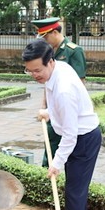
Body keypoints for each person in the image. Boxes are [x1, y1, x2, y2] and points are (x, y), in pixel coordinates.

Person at [22, 39, 102, 210]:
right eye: (30, 72)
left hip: (82, 139)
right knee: (77, 187)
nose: (35, 75)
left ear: (50, 62)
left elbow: (70, 134)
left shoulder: (63, 88)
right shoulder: (58, 69)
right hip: (79, 134)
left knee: (74, 191)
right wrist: (49, 113)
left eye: (38, 70)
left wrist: (56, 163)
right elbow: (66, 114)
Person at [31, 17, 87, 168]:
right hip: (52, 110)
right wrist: (44, 105)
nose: (44, 41)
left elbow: (79, 84)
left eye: (45, 37)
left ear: (55, 32)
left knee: (67, 148)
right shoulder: (47, 52)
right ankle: (47, 175)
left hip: (67, 108)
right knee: (50, 146)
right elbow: (47, 81)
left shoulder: (74, 51)